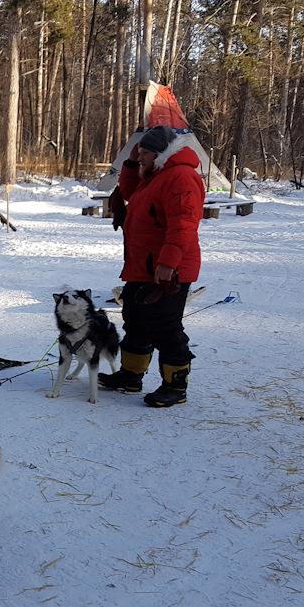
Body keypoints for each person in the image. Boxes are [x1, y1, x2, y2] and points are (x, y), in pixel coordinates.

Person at [98, 125, 204, 407]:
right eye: (140, 154)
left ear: (160, 153)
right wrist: (132, 163)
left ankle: (175, 386)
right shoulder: (155, 175)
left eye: (144, 153)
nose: (140, 157)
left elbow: (184, 223)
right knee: (135, 321)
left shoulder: (181, 176)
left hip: (169, 268)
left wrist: (168, 262)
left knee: (164, 326)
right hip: (143, 266)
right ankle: (131, 376)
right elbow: (132, 193)